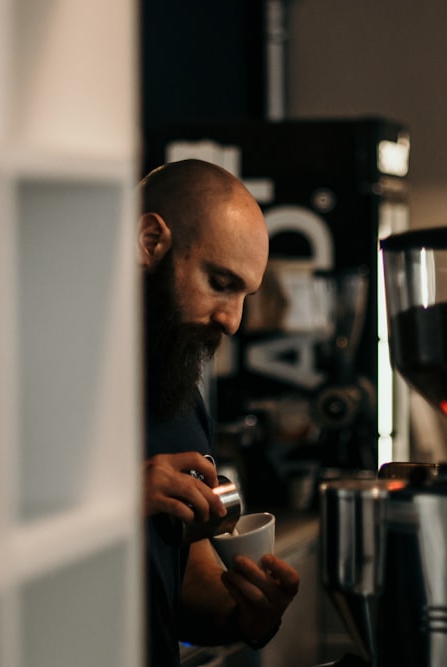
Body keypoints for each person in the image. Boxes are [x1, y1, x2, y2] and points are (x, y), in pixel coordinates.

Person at [139, 159, 300, 666]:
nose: (232, 322)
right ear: (150, 241)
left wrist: (245, 611)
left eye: (244, 295)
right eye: (220, 282)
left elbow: (186, 574)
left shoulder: (178, 394)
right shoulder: (40, 361)